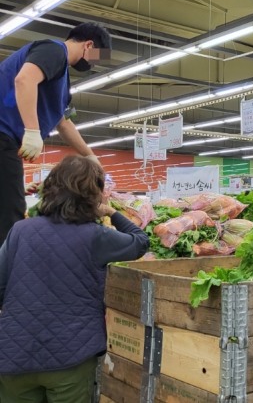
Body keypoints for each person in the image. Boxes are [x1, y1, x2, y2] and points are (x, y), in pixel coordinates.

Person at [0, 155, 148, 402]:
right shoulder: (97, 237)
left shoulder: (20, 230)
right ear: (95, 195)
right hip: (72, 355)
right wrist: (112, 212)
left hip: (16, 353)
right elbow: (140, 241)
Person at [0, 22, 111, 245]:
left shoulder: (61, 81)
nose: (94, 64)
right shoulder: (54, 50)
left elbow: (64, 122)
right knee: (10, 214)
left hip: (7, 141)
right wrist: (32, 130)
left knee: (9, 204)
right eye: (97, 58)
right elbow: (25, 79)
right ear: (89, 45)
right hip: (3, 134)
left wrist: (89, 155)